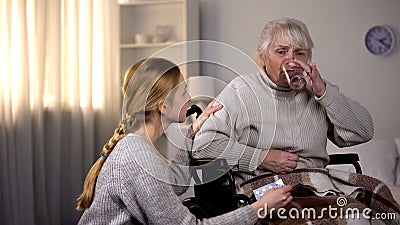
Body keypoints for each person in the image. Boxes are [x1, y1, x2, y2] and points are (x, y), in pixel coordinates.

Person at [76, 57, 293, 225]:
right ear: (163, 106)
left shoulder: (138, 146)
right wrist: (259, 208)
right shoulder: (137, 155)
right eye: (183, 91)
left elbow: (172, 185)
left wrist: (192, 132)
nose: (189, 97)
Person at [191, 18, 374, 182]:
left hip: (315, 184)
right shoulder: (242, 90)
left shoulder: (318, 91)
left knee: (371, 205)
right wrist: (260, 157)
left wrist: (324, 93)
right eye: (281, 52)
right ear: (263, 57)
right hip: (262, 190)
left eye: (299, 53)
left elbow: (363, 132)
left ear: (308, 58)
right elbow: (204, 145)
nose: (292, 61)